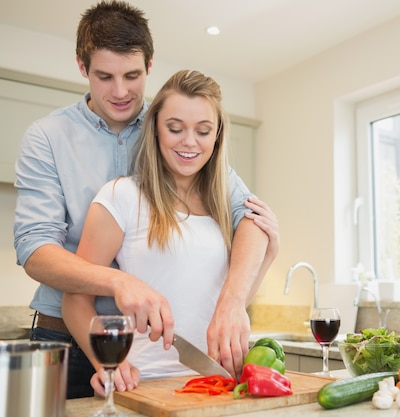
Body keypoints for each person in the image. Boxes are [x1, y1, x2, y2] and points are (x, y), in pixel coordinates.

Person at [13, 0, 278, 399]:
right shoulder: (48, 137)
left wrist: (233, 302)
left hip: (145, 349)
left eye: (132, 75)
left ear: (149, 66)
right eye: (104, 76)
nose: (120, 91)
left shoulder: (173, 127)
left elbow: (249, 217)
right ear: (82, 67)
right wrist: (119, 282)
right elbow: (34, 248)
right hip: (67, 332)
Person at [63, 69, 266, 393]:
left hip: (219, 386)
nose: (189, 141)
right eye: (175, 128)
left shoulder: (226, 208)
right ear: (155, 128)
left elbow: (225, 300)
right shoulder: (122, 196)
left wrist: (270, 255)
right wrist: (108, 364)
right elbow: (75, 298)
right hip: (146, 387)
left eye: (203, 131)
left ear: (217, 136)